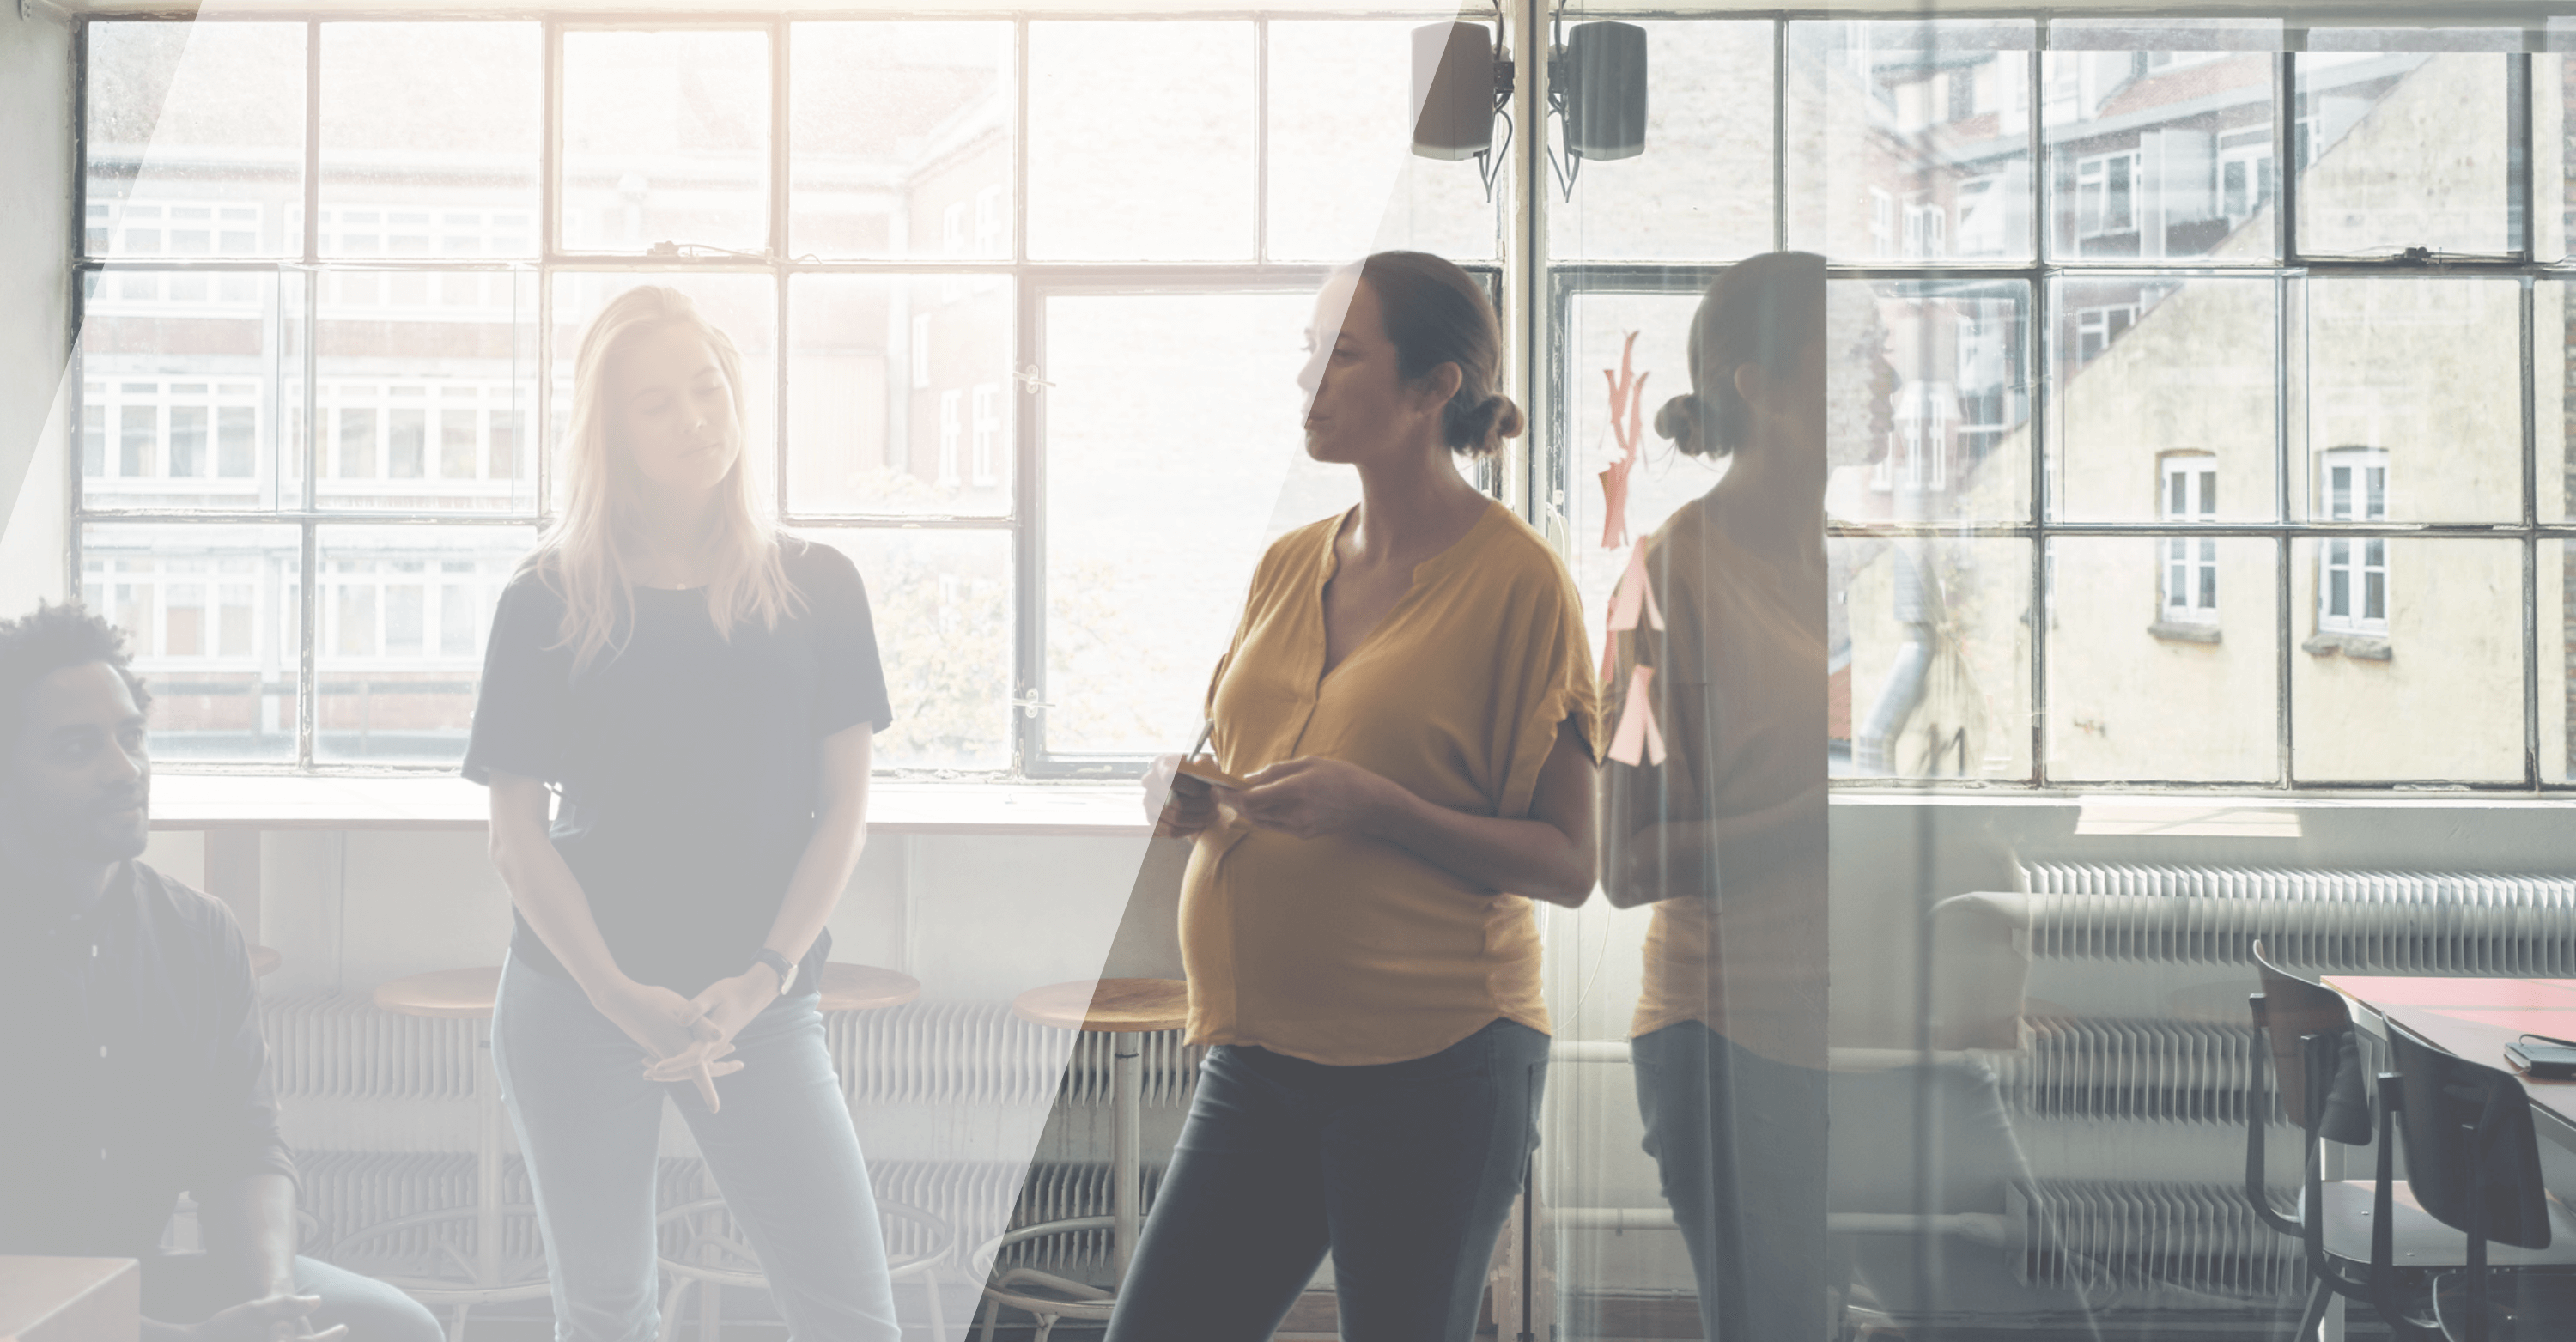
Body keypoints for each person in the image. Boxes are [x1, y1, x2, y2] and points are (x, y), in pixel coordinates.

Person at [1111, 251, 1600, 1342]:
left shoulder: (1521, 584)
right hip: (1259, 1055)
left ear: (1433, 390)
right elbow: (1235, 748)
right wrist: (1183, 792)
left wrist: (1380, 810)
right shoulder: (1289, 562)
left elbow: (1570, 866)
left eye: (1342, 356)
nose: (1308, 385)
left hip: (1437, 1066)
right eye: (1308, 355)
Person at [462, 286, 900, 1342]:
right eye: (657, 403)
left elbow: (843, 807)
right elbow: (516, 837)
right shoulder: (546, 596)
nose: (696, 418)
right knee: (609, 1313)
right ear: (611, 429)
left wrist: (764, 974)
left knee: (850, 1313)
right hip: (576, 1003)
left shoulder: (818, 581)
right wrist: (616, 996)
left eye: (708, 387)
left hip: (761, 1005)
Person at [0, 603, 444, 1342]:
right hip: (18, 1305)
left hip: (133, 1281)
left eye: (132, 736)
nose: (124, 768)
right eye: (78, 748)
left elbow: (244, 1146)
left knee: (398, 1329)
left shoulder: (198, 933)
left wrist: (273, 1309)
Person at [1599, 252, 1847, 1342]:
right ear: (1764, 385)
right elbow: (1627, 860)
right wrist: (1824, 818)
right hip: (1731, 1041)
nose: (1884, 381)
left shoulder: (1869, 566)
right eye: (1855, 356)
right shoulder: (1669, 575)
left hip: (1868, 1029)